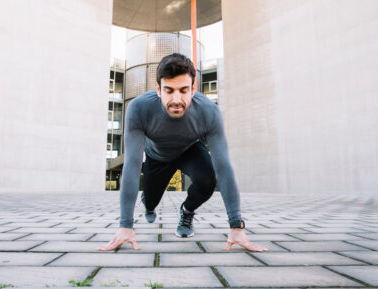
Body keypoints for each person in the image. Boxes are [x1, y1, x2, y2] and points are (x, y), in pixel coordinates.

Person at [98, 53, 267, 252]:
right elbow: (132, 166)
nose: (176, 99)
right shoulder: (139, 108)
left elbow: (223, 166)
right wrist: (125, 225)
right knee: (151, 201)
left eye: (183, 90)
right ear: (158, 90)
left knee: (208, 179)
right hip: (157, 157)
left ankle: (186, 211)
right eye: (169, 90)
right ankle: (149, 203)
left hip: (189, 150)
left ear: (193, 90)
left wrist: (236, 225)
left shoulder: (209, 112)